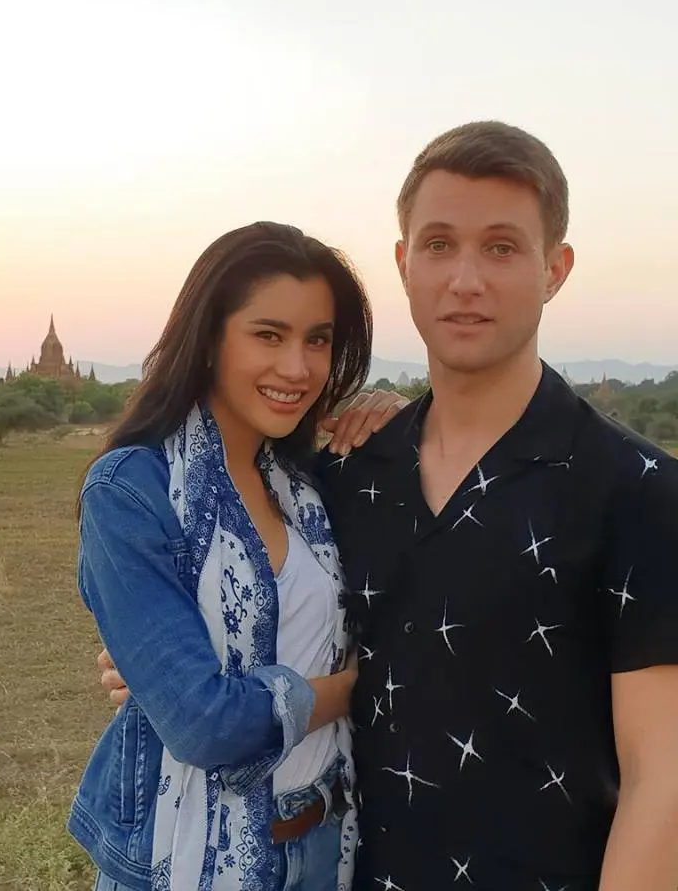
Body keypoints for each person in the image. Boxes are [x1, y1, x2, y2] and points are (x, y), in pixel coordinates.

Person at [98, 122, 678, 890]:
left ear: (555, 269)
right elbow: (281, 622)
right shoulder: (341, 477)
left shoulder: (637, 489)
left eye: (501, 247)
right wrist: (164, 659)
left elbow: (663, 777)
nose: (464, 279)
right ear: (404, 263)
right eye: (439, 244)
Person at [68, 221, 406, 891]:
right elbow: (203, 724)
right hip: (182, 856)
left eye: (318, 340)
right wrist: (355, 688)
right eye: (269, 335)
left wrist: (403, 417)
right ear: (209, 337)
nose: (298, 368)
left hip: (326, 844)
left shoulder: (312, 483)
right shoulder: (133, 490)